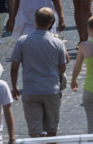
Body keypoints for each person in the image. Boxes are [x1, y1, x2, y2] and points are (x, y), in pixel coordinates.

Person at [9, 8, 68, 137]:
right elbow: (62, 67)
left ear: (35, 20)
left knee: (35, 132)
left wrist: (14, 87)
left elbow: (14, 67)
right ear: (51, 22)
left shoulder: (23, 40)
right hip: (51, 90)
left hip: (31, 90)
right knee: (52, 131)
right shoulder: (57, 42)